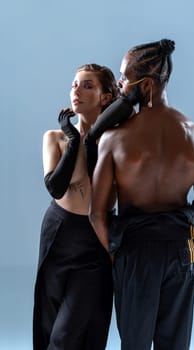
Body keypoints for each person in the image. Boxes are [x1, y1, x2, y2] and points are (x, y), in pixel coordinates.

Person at [89, 39, 194, 350]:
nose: (120, 84)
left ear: (146, 84)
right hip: (182, 250)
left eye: (123, 76)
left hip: (135, 252)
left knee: (134, 343)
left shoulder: (114, 139)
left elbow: (97, 213)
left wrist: (114, 254)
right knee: (175, 344)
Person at [33, 63, 119, 350]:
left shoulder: (113, 142)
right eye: (74, 84)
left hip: (95, 237)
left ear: (106, 97)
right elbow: (56, 187)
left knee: (69, 332)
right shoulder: (54, 138)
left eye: (87, 85)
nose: (76, 91)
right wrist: (72, 139)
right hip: (59, 231)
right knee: (50, 320)